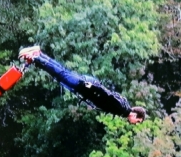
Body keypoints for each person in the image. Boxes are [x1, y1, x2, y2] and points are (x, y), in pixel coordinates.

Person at [18, 46, 147, 124]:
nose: (134, 123)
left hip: (88, 86)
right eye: (137, 121)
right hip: (86, 86)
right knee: (61, 74)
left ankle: (38, 54)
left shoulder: (124, 107)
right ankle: (34, 57)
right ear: (135, 115)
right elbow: (106, 94)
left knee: (61, 73)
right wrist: (89, 86)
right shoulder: (121, 108)